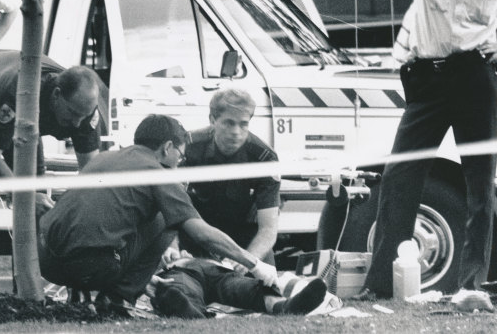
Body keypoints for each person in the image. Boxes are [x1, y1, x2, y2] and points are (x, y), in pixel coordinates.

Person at [353, 0, 497, 300]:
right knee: (399, 177)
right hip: (428, 80)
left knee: (480, 184)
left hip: (475, 76)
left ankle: (471, 286)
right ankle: (379, 285)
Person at [37, 114, 278, 312]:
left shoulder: (104, 158)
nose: (179, 162)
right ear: (168, 147)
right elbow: (202, 233)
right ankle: (118, 299)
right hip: (90, 266)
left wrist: (146, 277)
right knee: (168, 218)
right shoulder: (157, 172)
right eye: (180, 156)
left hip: (47, 261)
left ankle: (79, 291)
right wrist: (253, 262)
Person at [0, 49, 101, 204]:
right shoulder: (17, 92)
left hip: (30, 116)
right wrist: (25, 197)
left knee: (37, 191)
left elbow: (90, 172)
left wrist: (65, 208)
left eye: (83, 117)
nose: (77, 123)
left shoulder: (84, 108)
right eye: (73, 113)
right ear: (56, 95)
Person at [177, 88, 280, 271]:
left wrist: (250, 259)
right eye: (229, 123)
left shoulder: (264, 158)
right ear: (212, 120)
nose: (236, 132)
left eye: (243, 124)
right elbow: (169, 209)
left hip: (244, 235)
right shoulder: (188, 147)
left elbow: (268, 229)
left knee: (266, 288)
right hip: (197, 231)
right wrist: (173, 248)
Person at [150, 256, 327, 319]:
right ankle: (191, 312)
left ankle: (285, 306)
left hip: (218, 269)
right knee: (179, 287)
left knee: (245, 287)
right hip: (181, 268)